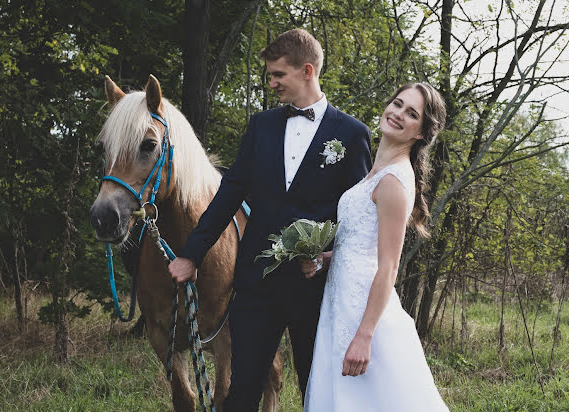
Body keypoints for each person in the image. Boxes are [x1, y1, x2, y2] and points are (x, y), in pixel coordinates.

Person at [169, 28, 372, 411]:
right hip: (256, 283)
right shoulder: (260, 127)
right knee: (242, 387)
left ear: (307, 70)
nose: (271, 83)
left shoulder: (351, 134)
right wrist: (191, 254)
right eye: (269, 75)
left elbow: (357, 216)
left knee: (317, 387)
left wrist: (329, 258)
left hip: (317, 288)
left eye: (278, 75)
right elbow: (227, 195)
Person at [302, 83, 449, 411]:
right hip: (340, 304)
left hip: (363, 313)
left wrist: (365, 336)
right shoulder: (375, 174)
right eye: (397, 103)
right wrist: (327, 258)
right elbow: (361, 243)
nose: (398, 114)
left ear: (421, 133)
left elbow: (389, 266)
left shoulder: (394, 182)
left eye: (411, 114)